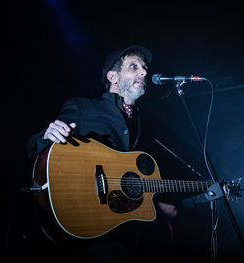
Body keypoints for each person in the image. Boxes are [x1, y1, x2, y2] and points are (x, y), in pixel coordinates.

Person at [26, 45, 180, 263]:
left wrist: (157, 203)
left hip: (122, 226)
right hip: (86, 223)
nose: (144, 72)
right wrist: (47, 136)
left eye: (144, 68)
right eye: (134, 67)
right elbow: (37, 147)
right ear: (113, 76)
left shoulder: (142, 123)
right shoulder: (83, 107)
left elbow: (129, 177)